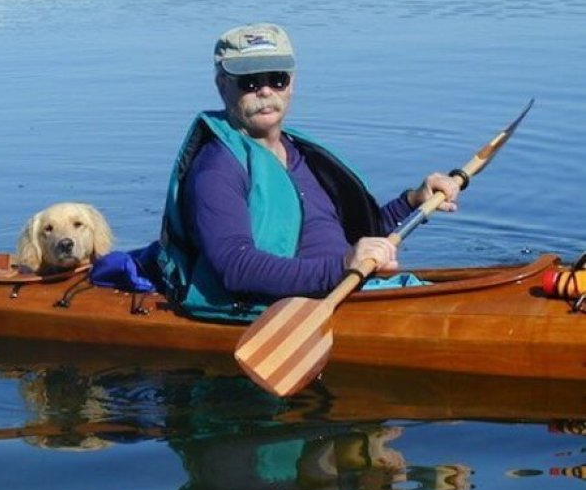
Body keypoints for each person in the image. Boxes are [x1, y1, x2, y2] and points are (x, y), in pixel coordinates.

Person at [156, 22, 460, 321]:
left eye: (277, 79)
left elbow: (361, 235)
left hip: (349, 290)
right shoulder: (216, 169)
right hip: (281, 309)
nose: (265, 90)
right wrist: (342, 266)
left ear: (292, 83)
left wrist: (412, 201)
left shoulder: (300, 153)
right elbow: (236, 267)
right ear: (222, 85)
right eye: (249, 81)